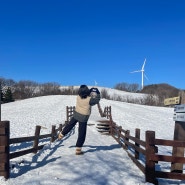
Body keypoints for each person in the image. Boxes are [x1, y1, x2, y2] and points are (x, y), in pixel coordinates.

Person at [58, 85, 101, 155]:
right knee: (82, 133)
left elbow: (84, 92)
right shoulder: (89, 100)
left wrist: (90, 90)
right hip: (83, 117)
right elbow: (97, 100)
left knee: (69, 125)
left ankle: (61, 134)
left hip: (76, 114)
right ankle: (78, 149)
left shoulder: (78, 97)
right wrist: (97, 92)